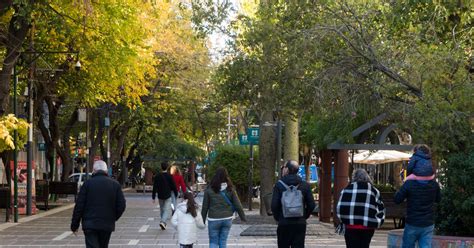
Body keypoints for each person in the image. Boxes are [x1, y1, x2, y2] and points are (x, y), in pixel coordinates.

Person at [71, 160, 126, 248]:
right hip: (107, 223)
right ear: (106, 171)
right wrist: (113, 217)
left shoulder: (87, 184)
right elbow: (121, 205)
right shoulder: (115, 185)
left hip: (89, 223)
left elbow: (79, 206)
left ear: (94, 170)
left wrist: (74, 225)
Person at [395, 149, 441, 248]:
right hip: (428, 223)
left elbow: (397, 199)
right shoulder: (434, 185)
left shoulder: (409, 184)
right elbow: (438, 199)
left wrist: (403, 185)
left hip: (412, 222)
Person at [271, 160, 316, 248]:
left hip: (284, 222)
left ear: (287, 169)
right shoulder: (304, 185)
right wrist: (304, 215)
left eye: (284, 168)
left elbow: (274, 205)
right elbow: (312, 205)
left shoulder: (279, 185)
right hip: (300, 223)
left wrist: (279, 217)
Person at [336, 168, 385, 248]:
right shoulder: (374, 191)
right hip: (368, 227)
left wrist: (343, 220)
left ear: (353, 177)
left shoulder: (346, 190)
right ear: (367, 177)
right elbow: (381, 209)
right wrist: (378, 222)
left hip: (350, 226)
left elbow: (339, 208)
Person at [201, 167, 246, 248]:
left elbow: (205, 207)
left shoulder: (209, 189)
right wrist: (243, 218)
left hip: (213, 219)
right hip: (227, 219)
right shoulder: (230, 189)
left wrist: (202, 221)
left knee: (213, 242)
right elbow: (238, 205)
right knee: (223, 241)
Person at [152, 161, 178, 230]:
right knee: (166, 209)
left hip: (160, 195)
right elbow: (173, 186)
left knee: (162, 209)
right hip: (167, 195)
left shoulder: (157, 176)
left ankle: (163, 222)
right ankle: (163, 221)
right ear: (167, 168)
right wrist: (176, 194)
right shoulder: (170, 176)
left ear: (161, 167)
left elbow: (155, 186)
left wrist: (153, 196)